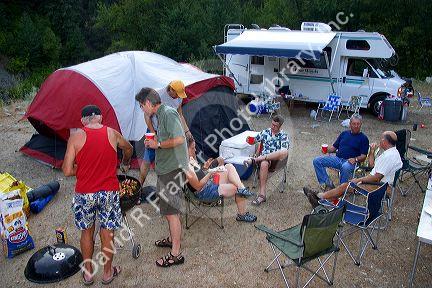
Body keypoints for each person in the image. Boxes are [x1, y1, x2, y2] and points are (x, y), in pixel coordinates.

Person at [62, 105, 133, 285]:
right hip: (108, 192)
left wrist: (82, 168)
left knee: (86, 233)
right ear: (100, 117)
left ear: (83, 121)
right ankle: (108, 273)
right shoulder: (112, 133)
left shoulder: (75, 137)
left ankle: (88, 274)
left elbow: (67, 170)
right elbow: (129, 148)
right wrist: (124, 163)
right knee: (107, 233)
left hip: (85, 194)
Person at [135, 87, 188, 268]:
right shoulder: (159, 115)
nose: (142, 109)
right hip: (167, 167)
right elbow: (165, 137)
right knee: (168, 211)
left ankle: (175, 254)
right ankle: (173, 238)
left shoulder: (168, 113)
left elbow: (180, 139)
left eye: (142, 106)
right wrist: (155, 140)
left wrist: (157, 144)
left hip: (173, 168)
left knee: (172, 212)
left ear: (149, 103)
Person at [304, 131, 403, 208]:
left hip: (379, 187)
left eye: (381, 139)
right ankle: (322, 198)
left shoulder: (389, 157)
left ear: (385, 141)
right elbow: (372, 165)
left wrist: (359, 179)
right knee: (345, 186)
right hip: (377, 183)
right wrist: (372, 151)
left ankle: (319, 197)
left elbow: (376, 178)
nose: (380, 140)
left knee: (345, 186)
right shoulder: (392, 153)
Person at [185, 135, 257, 222]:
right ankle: (242, 214)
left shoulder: (191, 159)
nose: (195, 150)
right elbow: (198, 187)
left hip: (209, 183)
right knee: (235, 188)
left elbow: (199, 174)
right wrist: (210, 173)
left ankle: (242, 189)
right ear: (185, 150)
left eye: (195, 147)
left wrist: (206, 168)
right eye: (192, 148)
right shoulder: (186, 167)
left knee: (229, 166)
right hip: (204, 193)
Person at [139, 80, 191, 185]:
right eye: (176, 93)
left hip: (169, 130)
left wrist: (187, 131)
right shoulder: (158, 95)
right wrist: (154, 134)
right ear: (170, 89)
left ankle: (171, 185)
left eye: (180, 94)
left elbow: (180, 115)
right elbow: (146, 116)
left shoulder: (178, 99)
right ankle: (139, 187)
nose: (178, 96)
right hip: (154, 129)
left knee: (168, 156)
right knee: (147, 160)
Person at [313, 114, 369, 190]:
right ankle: (328, 184)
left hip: (351, 162)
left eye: (358, 124)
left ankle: (341, 189)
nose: (356, 126)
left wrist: (355, 159)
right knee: (317, 161)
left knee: (345, 167)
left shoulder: (363, 138)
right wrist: (326, 150)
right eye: (354, 124)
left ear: (361, 124)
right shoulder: (344, 134)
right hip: (338, 159)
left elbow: (363, 156)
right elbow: (333, 148)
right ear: (350, 124)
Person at [244, 115, 289, 206]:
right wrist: (250, 141)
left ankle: (255, 160)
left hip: (276, 161)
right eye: (272, 124)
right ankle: (262, 195)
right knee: (264, 163)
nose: (272, 127)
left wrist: (263, 157)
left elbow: (283, 153)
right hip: (264, 161)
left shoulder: (283, 136)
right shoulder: (265, 132)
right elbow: (254, 140)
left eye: (275, 126)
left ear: (280, 126)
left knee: (284, 152)